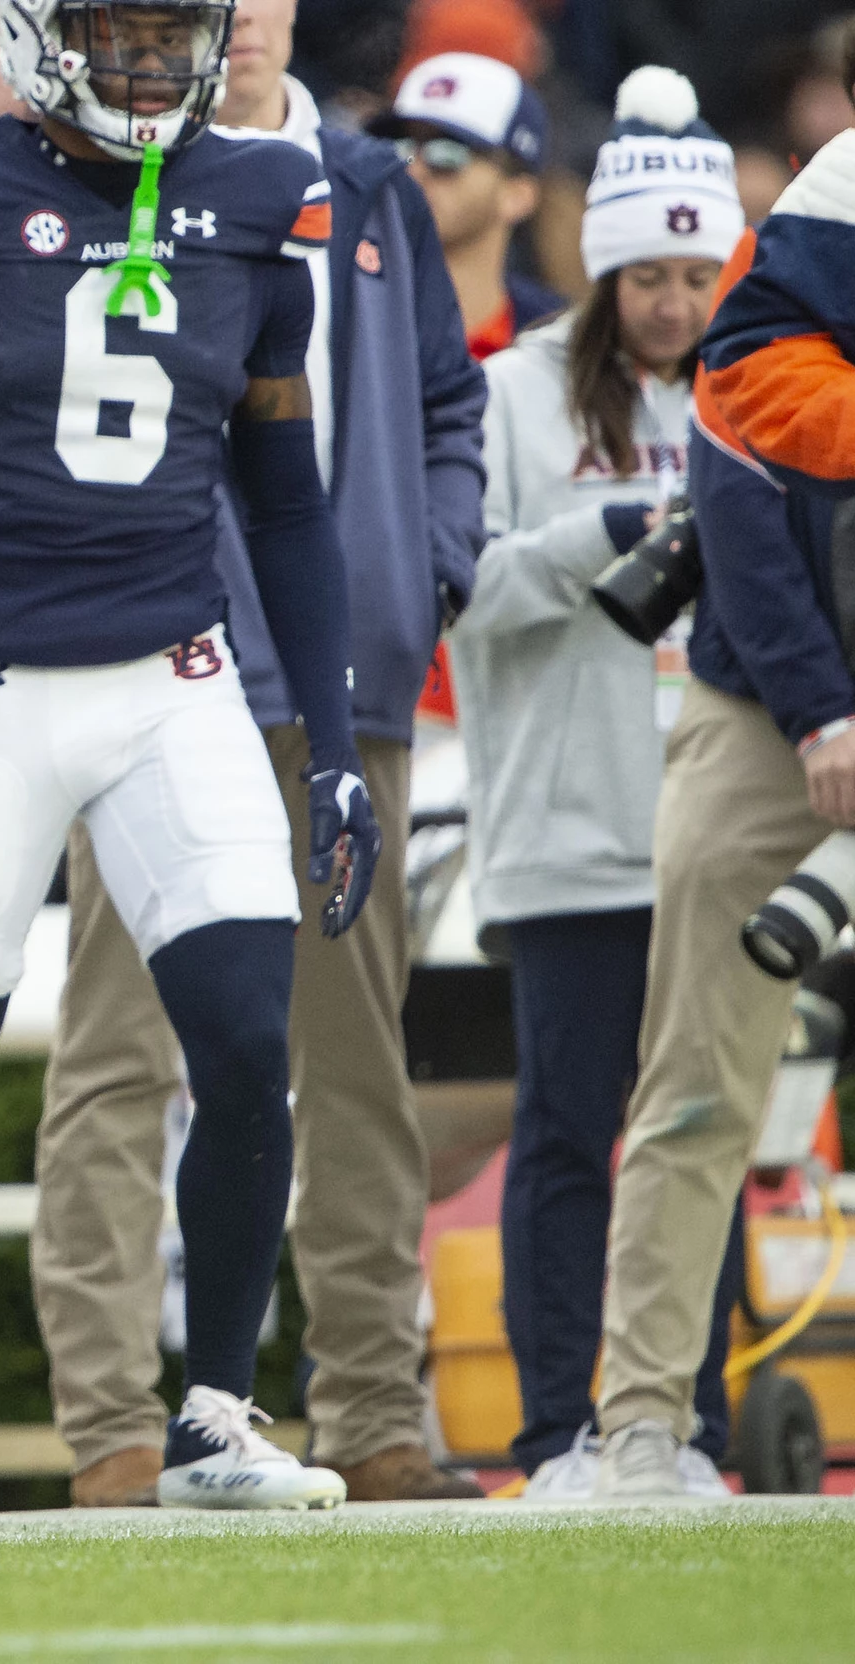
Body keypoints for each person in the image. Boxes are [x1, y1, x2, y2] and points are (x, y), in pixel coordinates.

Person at [0, 0, 381, 1518]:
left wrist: (326, 742)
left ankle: (212, 1410)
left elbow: (288, 500)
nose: (146, 63)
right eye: (115, 33)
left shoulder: (260, 193)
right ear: (42, 36)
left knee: (251, 1049)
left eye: (167, 33)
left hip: (175, 685)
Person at [0, 0, 485, 1518]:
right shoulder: (98, 165)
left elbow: (443, 403)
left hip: (345, 664)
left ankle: (372, 1409)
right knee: (123, 1045)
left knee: (357, 1061)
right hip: (154, 666)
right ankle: (110, 1423)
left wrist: (428, 567)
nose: (206, 27)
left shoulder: (365, 186)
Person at [452, 66, 746, 1504]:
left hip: (713, 828)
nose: (677, 303)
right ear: (607, 264)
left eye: (702, 274)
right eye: (652, 274)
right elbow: (466, 598)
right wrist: (606, 532)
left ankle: (689, 1428)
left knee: (703, 1126)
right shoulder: (510, 390)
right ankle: (560, 1435)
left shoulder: (762, 394)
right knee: (569, 1132)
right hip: (565, 831)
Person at [588, 49, 855, 1499]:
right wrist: (824, 714)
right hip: (771, 710)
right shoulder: (826, 218)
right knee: (697, 1079)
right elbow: (740, 490)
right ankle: (640, 1426)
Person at [371, 51, 561, 362]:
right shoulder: (341, 309)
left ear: (517, 195)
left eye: (447, 154)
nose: (414, 170)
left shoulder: (560, 344)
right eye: (400, 150)